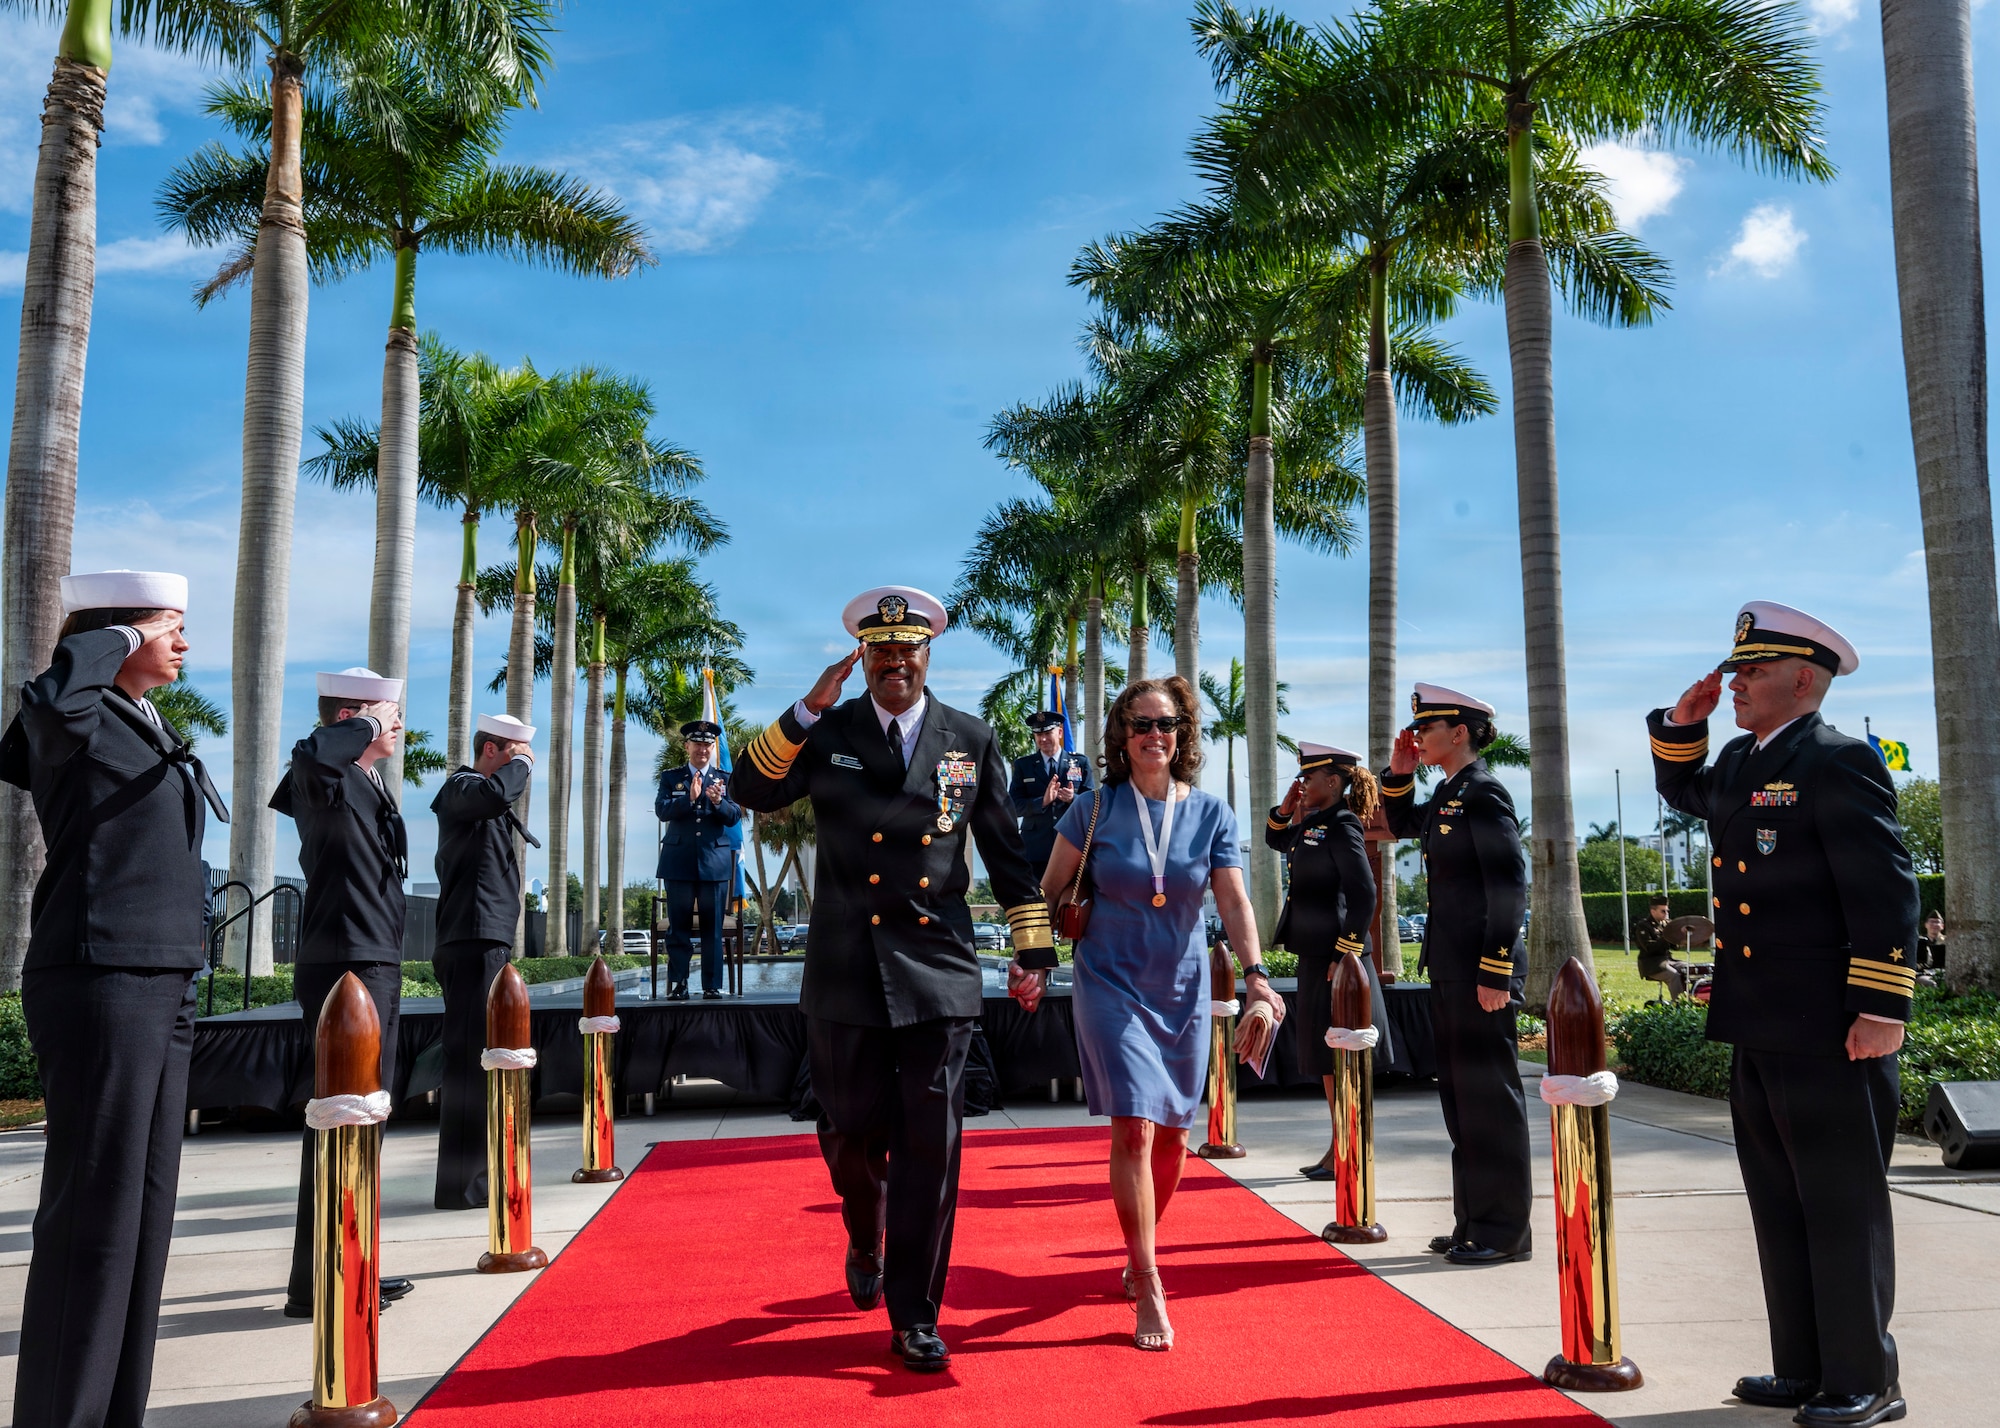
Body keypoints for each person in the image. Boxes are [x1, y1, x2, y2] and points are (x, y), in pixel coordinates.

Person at [730, 586, 1054, 1374]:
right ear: (863, 659)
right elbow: (751, 788)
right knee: (847, 1135)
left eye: (908, 649)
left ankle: (915, 1314)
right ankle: (863, 1224)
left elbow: (1007, 855)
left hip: (936, 970)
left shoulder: (968, 739)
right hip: (843, 971)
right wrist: (806, 710)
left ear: (927, 655)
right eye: (881, 650)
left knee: (930, 1147)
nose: (895, 661)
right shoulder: (828, 732)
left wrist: (1033, 950)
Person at [1650, 600, 1918, 1428]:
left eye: (1750, 672)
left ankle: (1867, 1379)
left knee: (1841, 1205)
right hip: (1759, 1020)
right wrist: (1680, 726)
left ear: (1803, 678)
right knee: (1780, 1205)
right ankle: (1803, 1369)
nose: (1734, 684)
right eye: (1733, 671)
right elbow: (1686, 790)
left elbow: (1886, 890)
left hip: (1830, 1025)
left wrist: (1880, 1005)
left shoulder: (1839, 761)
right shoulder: (1739, 758)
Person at [1, 571, 228, 1428]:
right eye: (168, 625)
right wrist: (111, 639)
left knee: (143, 1214)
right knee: (92, 1216)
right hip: (99, 974)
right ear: (117, 633)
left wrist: (134, 636)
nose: (184, 642)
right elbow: (50, 710)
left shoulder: (142, 720)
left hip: (161, 974)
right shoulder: (71, 712)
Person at [1031, 676, 1282, 1352]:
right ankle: (1147, 1276)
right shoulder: (1091, 809)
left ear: (1182, 735)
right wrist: (1033, 961)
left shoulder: (1211, 814)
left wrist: (1257, 976)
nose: (1154, 735)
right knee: (1135, 1130)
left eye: (1166, 724)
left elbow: (1232, 904)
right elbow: (1048, 892)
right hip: (1109, 982)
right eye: (1141, 724)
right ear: (1122, 736)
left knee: (1173, 1135)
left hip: (1182, 988)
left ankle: (1138, 1245)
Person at [271, 666, 416, 1318]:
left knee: (363, 1122)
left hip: (373, 959)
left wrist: (369, 727)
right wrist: (364, 723)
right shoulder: (323, 770)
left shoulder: (364, 779)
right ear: (351, 717)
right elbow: (314, 749)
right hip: (346, 963)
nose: (399, 721)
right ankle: (325, 1278)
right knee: (344, 1120)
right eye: (390, 710)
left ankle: (349, 1262)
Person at [1381, 683, 1532, 1267]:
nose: (1418, 736)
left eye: (1427, 728)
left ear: (1460, 732)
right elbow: (1401, 822)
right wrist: (1398, 774)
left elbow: (1508, 884)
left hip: (1480, 973)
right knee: (1462, 1103)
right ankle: (1474, 1221)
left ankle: (1504, 1231)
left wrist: (1497, 968)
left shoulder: (1484, 792)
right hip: (1450, 967)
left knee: (1489, 1100)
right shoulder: (1450, 792)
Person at [1265, 742, 1391, 1181]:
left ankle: (1349, 1147)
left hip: (1336, 961)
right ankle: (1340, 1145)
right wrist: (1284, 808)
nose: (1301, 784)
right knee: (1324, 1056)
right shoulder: (1314, 822)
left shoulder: (1342, 826)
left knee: (1340, 1057)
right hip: (1315, 955)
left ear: (1332, 782)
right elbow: (1275, 839)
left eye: (1308, 778)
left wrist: (1347, 956)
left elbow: (1364, 894)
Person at [430, 712, 537, 1210]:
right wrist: (522, 766)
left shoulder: (478, 794)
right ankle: (464, 1184)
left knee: (483, 1058)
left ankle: (476, 1175)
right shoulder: (463, 785)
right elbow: (497, 794)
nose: (523, 765)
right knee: (472, 1061)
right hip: (472, 937)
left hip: (482, 936)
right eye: (514, 753)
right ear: (491, 750)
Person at [655, 718, 741, 1000]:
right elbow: (662, 811)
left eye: (707, 744)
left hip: (714, 864)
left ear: (711, 747)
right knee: (678, 929)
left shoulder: (725, 778)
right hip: (678, 862)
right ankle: (679, 984)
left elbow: (734, 816)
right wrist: (688, 800)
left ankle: (711, 985)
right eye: (697, 744)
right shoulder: (671, 777)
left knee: (712, 930)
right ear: (687, 746)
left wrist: (717, 803)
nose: (702, 749)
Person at [1010, 709, 1092, 871]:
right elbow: (1013, 806)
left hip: (1072, 845)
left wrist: (1073, 799)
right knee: (1037, 896)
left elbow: (1092, 804)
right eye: (1038, 734)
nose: (1043, 739)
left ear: (1060, 732)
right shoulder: (1024, 765)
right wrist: (1042, 801)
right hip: (1035, 850)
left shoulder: (1080, 762)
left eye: (1048, 733)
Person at [1633, 892, 1688, 997]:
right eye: (1663, 911)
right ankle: (1680, 1006)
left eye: (1667, 911)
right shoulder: (1643, 926)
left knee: (1689, 969)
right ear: (1653, 911)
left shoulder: (1667, 924)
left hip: (1668, 960)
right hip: (1652, 964)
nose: (1666, 913)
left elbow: (1675, 947)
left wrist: (1681, 937)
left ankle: (1693, 999)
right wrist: (1666, 937)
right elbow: (1649, 948)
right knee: (1674, 976)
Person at [1916, 912, 1946, 979]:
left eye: (1937, 922)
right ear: (1926, 925)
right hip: (1924, 973)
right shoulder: (1920, 941)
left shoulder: (1948, 942)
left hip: (1943, 973)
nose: (1934, 924)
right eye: (1931, 922)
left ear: (1942, 926)